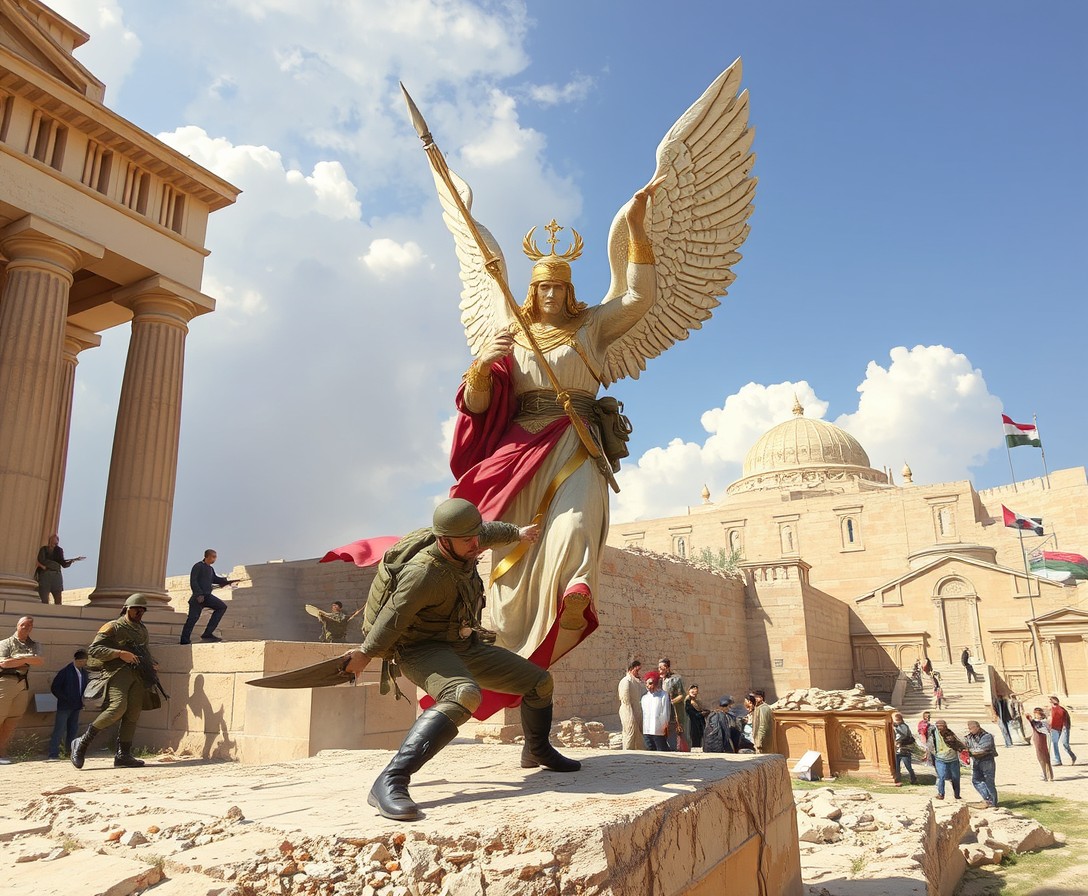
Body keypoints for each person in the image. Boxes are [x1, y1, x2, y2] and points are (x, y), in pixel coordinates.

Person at [446, 180, 663, 682]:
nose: (549, 294)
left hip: (577, 437)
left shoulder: (592, 326)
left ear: (568, 291)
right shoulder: (513, 329)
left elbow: (639, 296)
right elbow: (480, 404)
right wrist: (481, 368)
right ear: (532, 289)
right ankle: (505, 641)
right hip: (520, 447)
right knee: (515, 555)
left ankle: (576, 592)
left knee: (575, 526)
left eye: (558, 287)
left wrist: (636, 229)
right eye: (543, 286)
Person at [340, 499, 578, 821]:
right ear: (444, 540)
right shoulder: (423, 573)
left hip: (462, 642)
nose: (475, 545)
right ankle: (390, 780)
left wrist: (517, 533)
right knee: (463, 694)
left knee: (538, 682)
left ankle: (537, 749)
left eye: (476, 537)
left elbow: (487, 532)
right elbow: (393, 618)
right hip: (420, 649)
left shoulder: (467, 540)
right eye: (467, 540)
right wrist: (365, 654)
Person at [71, 594, 161, 769]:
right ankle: (82, 742)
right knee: (117, 708)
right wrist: (119, 654)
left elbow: (144, 650)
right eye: (136, 609)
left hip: (138, 675)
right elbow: (95, 649)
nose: (139, 612)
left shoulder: (142, 629)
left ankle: (123, 754)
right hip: (117, 673)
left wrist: (151, 664)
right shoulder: (113, 626)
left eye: (142, 610)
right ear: (126, 608)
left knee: (133, 713)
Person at [0, 616, 44, 764]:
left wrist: (18, 659)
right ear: (17, 625)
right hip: (5, 680)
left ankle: (1, 753)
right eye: (24, 625)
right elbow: (4, 664)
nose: (27, 628)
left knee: (13, 719)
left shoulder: (34, 644)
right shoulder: (5, 643)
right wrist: (26, 659)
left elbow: (39, 661)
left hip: (22, 682)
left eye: (30, 625)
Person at [180, 549, 238, 644]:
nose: (215, 559)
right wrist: (198, 594)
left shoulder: (210, 569)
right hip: (198, 598)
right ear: (207, 556)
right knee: (193, 618)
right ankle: (184, 639)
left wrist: (227, 581)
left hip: (207, 596)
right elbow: (193, 581)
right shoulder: (198, 566)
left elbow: (214, 579)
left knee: (221, 607)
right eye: (213, 557)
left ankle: (208, 633)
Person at [47, 649, 88, 761]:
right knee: (59, 729)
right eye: (80, 661)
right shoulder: (65, 672)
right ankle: (53, 753)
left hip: (77, 705)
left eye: (84, 661)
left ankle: (69, 752)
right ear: (75, 660)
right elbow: (55, 688)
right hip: (65, 706)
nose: (82, 663)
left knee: (73, 730)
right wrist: (65, 699)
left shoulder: (84, 673)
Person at [35, 534, 85, 604]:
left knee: (58, 596)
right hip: (46, 574)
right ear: (50, 541)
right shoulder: (44, 549)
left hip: (56, 574)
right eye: (53, 541)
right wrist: (45, 566)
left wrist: (72, 561)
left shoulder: (59, 550)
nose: (55, 543)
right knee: (44, 598)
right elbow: (41, 560)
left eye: (56, 542)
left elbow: (63, 563)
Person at [926, 719, 965, 800]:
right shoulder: (933, 734)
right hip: (940, 759)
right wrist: (928, 754)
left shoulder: (950, 734)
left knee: (955, 777)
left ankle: (957, 794)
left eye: (942, 726)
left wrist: (962, 749)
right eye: (938, 727)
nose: (940, 728)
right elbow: (930, 745)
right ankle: (941, 794)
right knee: (941, 777)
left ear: (945, 726)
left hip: (953, 759)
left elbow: (958, 743)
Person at [965, 720, 999, 806]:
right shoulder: (969, 737)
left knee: (989, 781)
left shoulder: (987, 736)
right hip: (977, 761)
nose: (970, 730)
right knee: (976, 780)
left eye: (972, 728)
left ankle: (993, 802)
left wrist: (969, 752)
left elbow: (982, 749)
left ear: (978, 727)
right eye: (969, 728)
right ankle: (987, 798)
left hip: (987, 761)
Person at [659, 658, 687, 750]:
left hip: (674, 711)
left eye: (662, 668)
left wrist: (672, 701)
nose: (660, 670)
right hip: (662, 710)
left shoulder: (675, 679)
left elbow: (682, 695)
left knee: (675, 733)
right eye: (659, 668)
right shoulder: (659, 680)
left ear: (667, 668)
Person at [640, 671, 671, 752]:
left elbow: (665, 712)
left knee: (662, 751)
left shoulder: (663, 695)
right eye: (646, 683)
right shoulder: (644, 698)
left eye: (650, 683)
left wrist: (665, 726)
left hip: (658, 730)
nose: (648, 686)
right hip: (647, 730)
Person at [617, 658, 644, 750]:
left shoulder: (635, 681)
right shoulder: (626, 681)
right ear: (631, 669)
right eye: (637, 670)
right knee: (630, 732)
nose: (638, 672)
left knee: (638, 734)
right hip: (628, 710)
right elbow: (625, 700)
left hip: (636, 710)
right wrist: (630, 714)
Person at [1026, 707, 1054, 781]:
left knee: (1046, 757)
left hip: (1043, 739)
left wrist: (1031, 720)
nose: (1036, 715)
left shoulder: (1043, 722)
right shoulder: (1036, 721)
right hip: (1037, 739)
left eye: (1037, 714)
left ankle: (1048, 775)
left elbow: (1042, 727)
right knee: (1040, 757)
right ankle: (1044, 773)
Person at [1048, 696, 1077, 766]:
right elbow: (1050, 719)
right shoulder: (1051, 710)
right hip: (1054, 728)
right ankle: (1057, 760)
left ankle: (1072, 756)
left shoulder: (1062, 710)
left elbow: (1066, 720)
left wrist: (1066, 728)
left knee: (1065, 744)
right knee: (1053, 743)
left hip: (1063, 728)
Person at [891, 711, 918, 785]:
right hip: (896, 750)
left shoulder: (903, 726)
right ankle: (898, 780)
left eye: (895, 720)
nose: (894, 721)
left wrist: (896, 728)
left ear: (899, 719)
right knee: (897, 767)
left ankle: (913, 778)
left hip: (904, 750)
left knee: (908, 765)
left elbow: (904, 734)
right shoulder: (895, 726)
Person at [751, 689, 774, 754]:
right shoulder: (758, 707)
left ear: (761, 698)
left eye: (756, 697)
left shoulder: (763, 708)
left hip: (762, 742)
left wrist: (759, 742)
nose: (754, 699)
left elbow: (763, 726)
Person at [685, 684, 708, 749]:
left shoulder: (697, 701)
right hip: (692, 724)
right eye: (692, 691)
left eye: (696, 692)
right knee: (694, 740)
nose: (694, 693)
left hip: (698, 724)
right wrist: (701, 714)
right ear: (689, 691)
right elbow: (691, 713)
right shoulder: (688, 701)